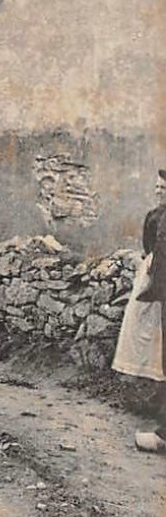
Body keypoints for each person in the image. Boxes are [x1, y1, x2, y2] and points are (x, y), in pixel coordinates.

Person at [113, 169, 166, 452]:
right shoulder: (155, 216)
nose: (160, 191)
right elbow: (150, 250)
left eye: (164, 187)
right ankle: (157, 402)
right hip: (157, 281)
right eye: (157, 186)